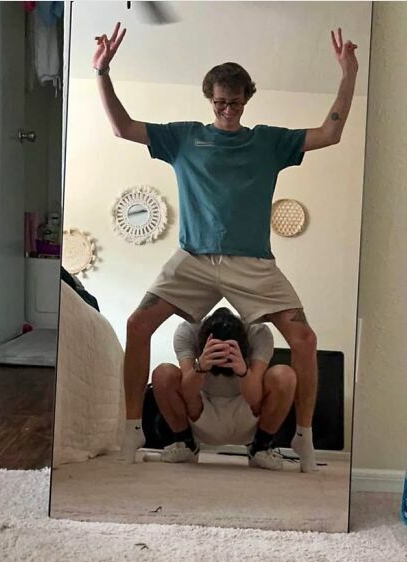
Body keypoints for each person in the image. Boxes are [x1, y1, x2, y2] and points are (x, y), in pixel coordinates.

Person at [92, 23, 358, 472]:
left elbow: (329, 134)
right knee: (138, 324)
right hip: (193, 258)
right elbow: (122, 127)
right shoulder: (183, 137)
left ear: (246, 99)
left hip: (252, 262)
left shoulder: (268, 141)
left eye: (235, 102)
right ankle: (132, 428)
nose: (228, 110)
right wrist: (102, 71)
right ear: (209, 100)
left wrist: (348, 74)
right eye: (220, 103)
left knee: (305, 339)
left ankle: (303, 437)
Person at [152, 306, 297, 471]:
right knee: (163, 373)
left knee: (284, 375)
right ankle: (186, 444)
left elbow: (255, 398)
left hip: (248, 411)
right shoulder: (188, 330)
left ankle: (260, 447)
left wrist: (243, 371)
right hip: (199, 412)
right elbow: (188, 393)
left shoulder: (258, 332)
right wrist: (201, 367)